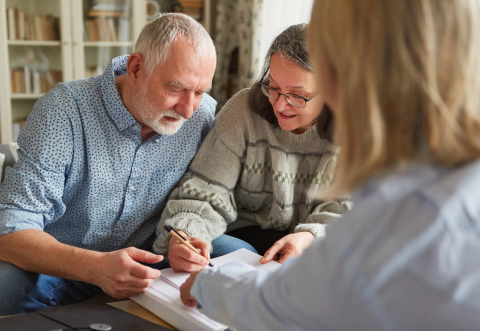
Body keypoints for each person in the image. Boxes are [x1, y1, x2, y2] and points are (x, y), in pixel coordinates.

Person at [179, 1, 480, 330]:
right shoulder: (431, 172)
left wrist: (207, 284)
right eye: (274, 89)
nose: (282, 104)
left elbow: (293, 301)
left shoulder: (402, 207)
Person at [0, 13, 217, 315]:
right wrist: (95, 267)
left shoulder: (203, 116)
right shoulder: (63, 110)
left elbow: (203, 197)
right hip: (63, 265)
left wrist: (188, 240)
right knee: (5, 285)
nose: (188, 109)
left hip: (152, 259)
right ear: (136, 67)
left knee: (239, 255)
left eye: (200, 91)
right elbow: (10, 231)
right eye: (176, 88)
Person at [154, 24, 351, 273]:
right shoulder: (243, 111)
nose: (280, 105)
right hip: (240, 240)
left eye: (297, 95)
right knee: (215, 249)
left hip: (312, 245)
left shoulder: (354, 127)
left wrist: (309, 236)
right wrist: (186, 233)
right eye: (274, 87)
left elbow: (348, 209)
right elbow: (207, 189)